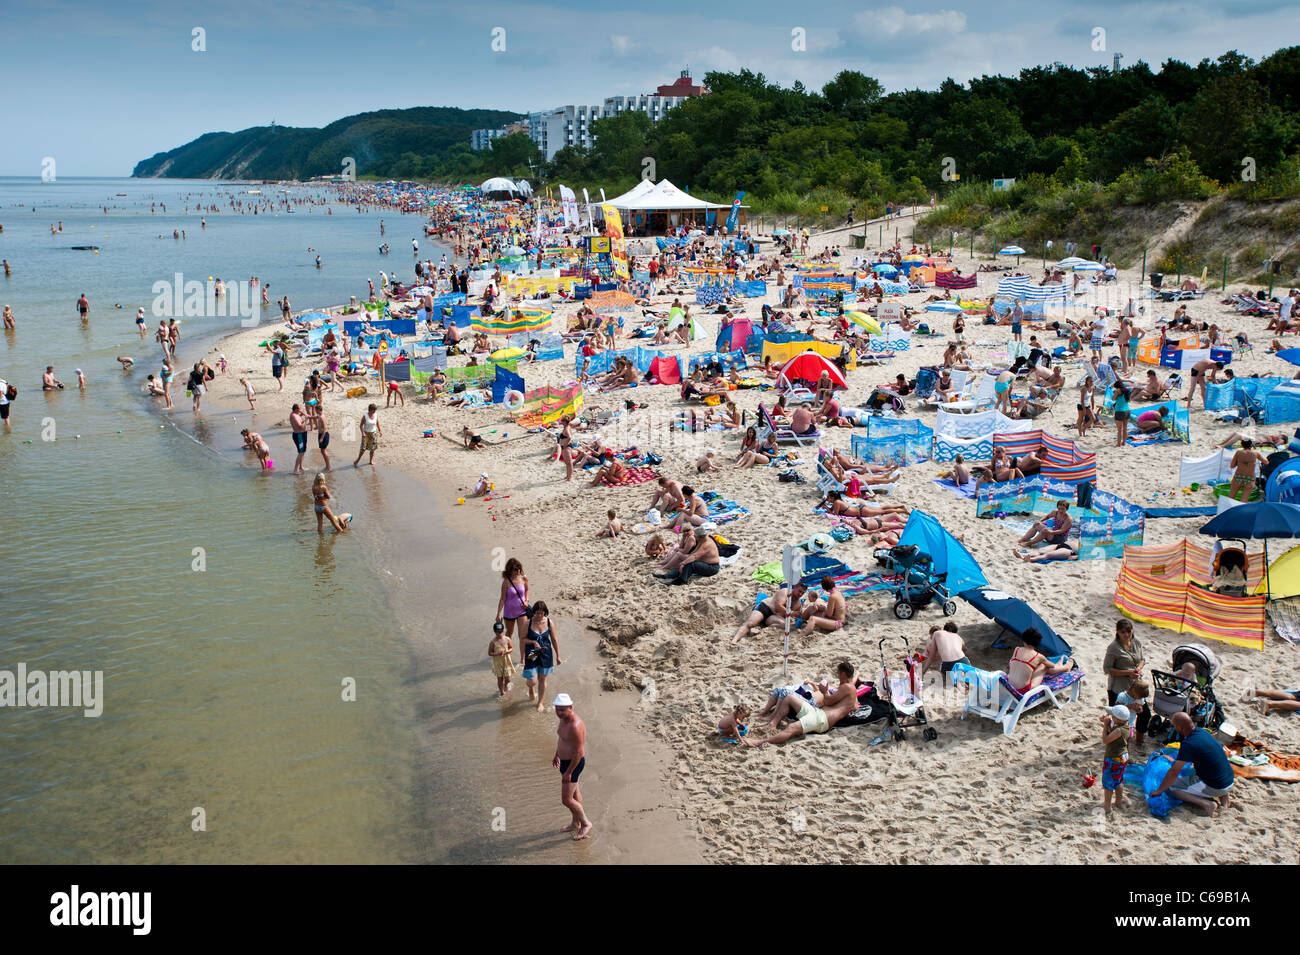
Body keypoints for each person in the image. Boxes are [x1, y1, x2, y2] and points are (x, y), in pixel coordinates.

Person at [744, 661, 860, 747]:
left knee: (791, 728)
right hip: (818, 712)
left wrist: (824, 691)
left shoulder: (847, 687)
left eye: (838, 674)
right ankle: (773, 724)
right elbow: (854, 705)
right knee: (789, 697)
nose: (837, 676)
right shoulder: (850, 688)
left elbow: (828, 701)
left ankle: (758, 742)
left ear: (843, 674)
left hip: (822, 719)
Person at [1149, 712, 1234, 815]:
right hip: (1229, 780)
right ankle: (1225, 800)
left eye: (1175, 726)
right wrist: (1174, 761)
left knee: (1172, 788)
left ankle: (1206, 804)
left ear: (1180, 728)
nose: (1174, 728)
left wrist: (1160, 790)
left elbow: (1174, 772)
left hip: (1215, 785)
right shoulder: (1202, 732)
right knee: (1212, 768)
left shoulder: (1188, 744)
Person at [552, 693, 592, 840]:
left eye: (562, 710)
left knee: (566, 799)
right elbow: (562, 740)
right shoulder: (563, 720)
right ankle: (575, 823)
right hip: (564, 762)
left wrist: (569, 772)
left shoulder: (575, 726)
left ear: (570, 707)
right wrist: (557, 755)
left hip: (573, 764)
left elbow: (579, 752)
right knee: (574, 795)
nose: (559, 713)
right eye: (557, 709)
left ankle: (585, 823)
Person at [732, 583, 807, 644]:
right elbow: (778, 605)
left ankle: (764, 628)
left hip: (773, 617)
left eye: (802, 593)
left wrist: (799, 616)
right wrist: (792, 613)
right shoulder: (785, 592)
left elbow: (795, 616)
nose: (800, 594)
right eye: (799, 591)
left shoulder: (798, 603)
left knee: (786, 625)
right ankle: (735, 639)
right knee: (750, 623)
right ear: (795, 587)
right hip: (765, 608)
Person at [1006, 627, 1071, 694]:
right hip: (1024, 690)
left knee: (1030, 666)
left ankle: (1060, 664)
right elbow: (1052, 666)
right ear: (1038, 643)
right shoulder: (1038, 656)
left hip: (1010, 686)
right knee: (1044, 666)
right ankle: (1065, 667)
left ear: (1024, 640)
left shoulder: (1017, 649)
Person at [522, 602, 561, 711]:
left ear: (545, 612)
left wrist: (558, 655)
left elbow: (554, 639)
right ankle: (531, 688)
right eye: (537, 613)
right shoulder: (528, 623)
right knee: (532, 681)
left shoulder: (549, 622)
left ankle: (540, 702)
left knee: (542, 679)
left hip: (546, 653)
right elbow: (523, 639)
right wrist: (534, 642)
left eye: (541, 613)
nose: (539, 616)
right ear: (533, 612)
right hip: (532, 653)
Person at [656, 526, 720, 585]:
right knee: (687, 561)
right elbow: (694, 553)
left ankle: (681, 580)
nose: (695, 537)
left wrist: (683, 563)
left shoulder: (706, 544)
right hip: (705, 563)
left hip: (712, 567)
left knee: (690, 564)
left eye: (696, 536)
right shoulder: (703, 540)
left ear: (700, 537)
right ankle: (668, 576)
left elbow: (695, 556)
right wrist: (684, 561)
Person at [1099, 705, 1130, 814]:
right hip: (1122, 757)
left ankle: (1107, 807)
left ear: (1118, 719)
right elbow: (1113, 734)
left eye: (1113, 716)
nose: (1111, 717)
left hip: (1114, 758)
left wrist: (1105, 725)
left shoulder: (1119, 730)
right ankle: (1118, 801)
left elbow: (1106, 740)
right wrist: (1108, 724)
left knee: (1108, 783)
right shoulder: (1126, 727)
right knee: (1118, 779)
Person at [488, 622, 515, 699]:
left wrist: (506, 651)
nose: (499, 634)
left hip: (506, 661)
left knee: (508, 679)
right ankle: (502, 692)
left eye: (500, 632)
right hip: (498, 663)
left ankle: (505, 685)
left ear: (503, 631)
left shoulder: (507, 639)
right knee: (500, 678)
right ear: (494, 631)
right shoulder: (493, 642)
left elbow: (511, 648)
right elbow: (489, 653)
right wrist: (496, 653)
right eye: (497, 632)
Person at [289, 404, 310, 475]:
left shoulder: (297, 414)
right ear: (295, 410)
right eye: (299, 409)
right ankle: (295, 470)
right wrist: (306, 419)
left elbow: (301, 414)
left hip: (303, 434)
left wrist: (303, 413)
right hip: (299, 435)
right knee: (301, 452)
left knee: (303, 451)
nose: (300, 411)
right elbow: (301, 426)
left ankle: (301, 467)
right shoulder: (293, 416)